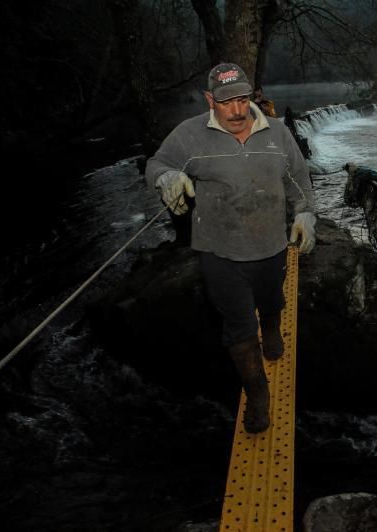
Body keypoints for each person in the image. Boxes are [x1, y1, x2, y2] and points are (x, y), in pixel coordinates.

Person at [145, 62, 316, 434]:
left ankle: (272, 329)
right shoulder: (188, 136)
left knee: (272, 301)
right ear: (210, 100)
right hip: (219, 252)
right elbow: (156, 162)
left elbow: (298, 178)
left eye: (242, 99)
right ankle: (257, 394)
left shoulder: (279, 134)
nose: (236, 111)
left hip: (271, 245)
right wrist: (167, 177)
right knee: (238, 328)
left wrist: (305, 215)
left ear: (251, 95)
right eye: (226, 102)